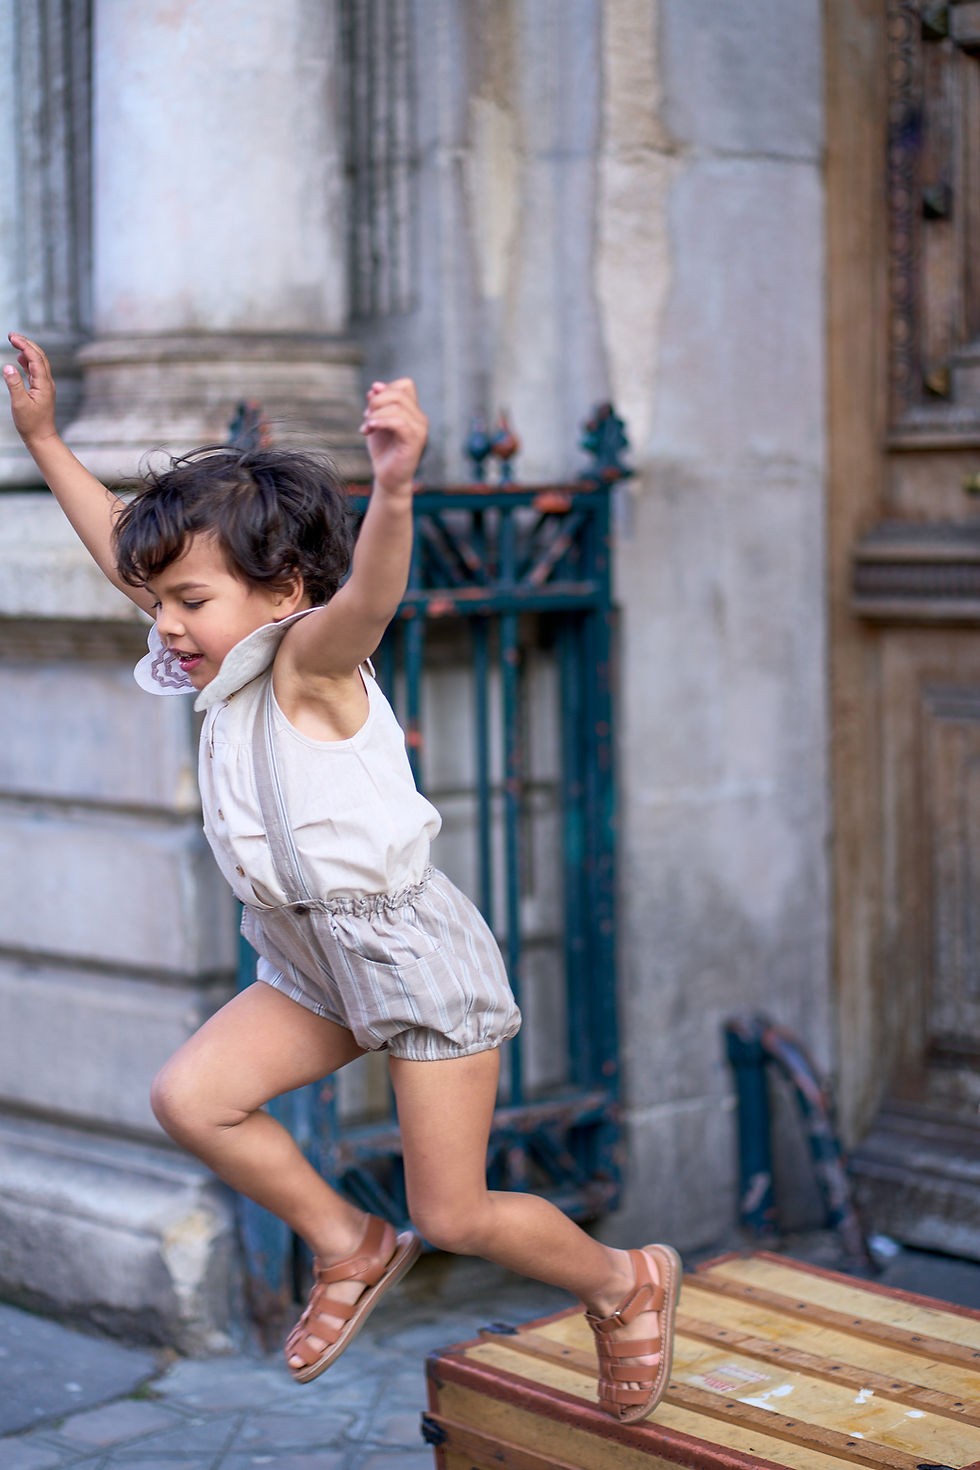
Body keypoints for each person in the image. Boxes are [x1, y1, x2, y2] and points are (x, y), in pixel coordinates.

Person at [3, 331, 681, 1423]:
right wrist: (44, 439)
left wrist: (396, 490)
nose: (163, 622)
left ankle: (623, 1282)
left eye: (186, 600)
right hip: (307, 957)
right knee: (192, 1099)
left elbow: (370, 594)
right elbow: (121, 550)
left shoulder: (312, 663)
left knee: (452, 1215)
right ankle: (349, 1242)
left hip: (408, 956)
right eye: (158, 600)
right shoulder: (219, 650)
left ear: (282, 594)